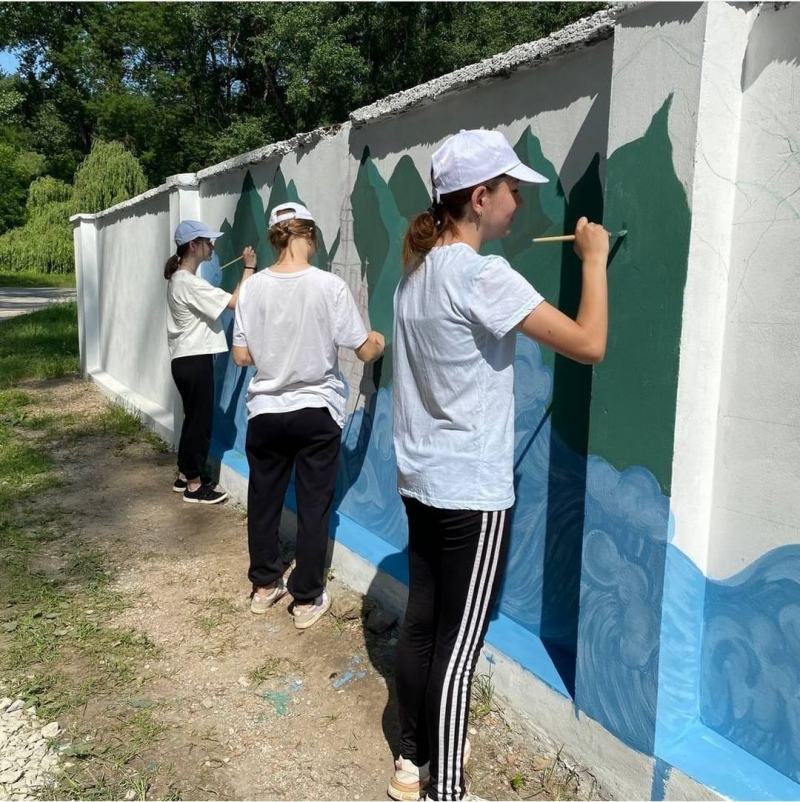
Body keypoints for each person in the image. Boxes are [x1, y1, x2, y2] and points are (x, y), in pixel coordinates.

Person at [389, 129, 610, 802]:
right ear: (479, 198)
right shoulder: (481, 274)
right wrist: (594, 262)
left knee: (423, 622)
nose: (518, 201)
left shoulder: (417, 276)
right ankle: (446, 791)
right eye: (512, 190)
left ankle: (412, 760)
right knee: (460, 648)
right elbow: (589, 344)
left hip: (421, 481)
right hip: (472, 493)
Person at [232, 202, 385, 629]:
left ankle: (264, 587)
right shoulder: (329, 287)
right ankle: (306, 599)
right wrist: (379, 341)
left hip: (265, 411)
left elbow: (242, 357)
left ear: (274, 237)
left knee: (263, 501)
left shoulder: (253, 289)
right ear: (309, 235)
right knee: (315, 507)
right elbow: (363, 349)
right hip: (316, 410)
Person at [165, 219, 256, 504]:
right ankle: (194, 486)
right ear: (193, 246)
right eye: (207, 242)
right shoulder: (187, 282)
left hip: (186, 360)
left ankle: (185, 475)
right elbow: (235, 302)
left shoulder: (182, 280)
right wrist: (249, 267)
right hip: (193, 360)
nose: (212, 247)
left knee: (193, 419)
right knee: (199, 423)